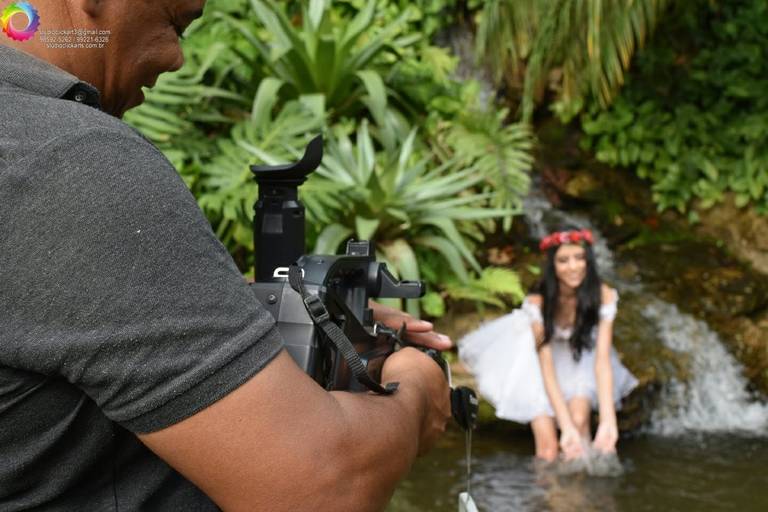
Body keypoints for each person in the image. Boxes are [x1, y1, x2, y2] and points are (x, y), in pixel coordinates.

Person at [0, 1, 451, 510]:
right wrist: (416, 393)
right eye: (176, 25)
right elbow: (322, 489)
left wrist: (234, 315)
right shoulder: (72, 161)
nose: (177, 60)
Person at [459, 227, 637, 462]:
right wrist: (565, 426)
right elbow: (546, 367)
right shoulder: (539, 301)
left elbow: (602, 361)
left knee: (580, 424)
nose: (573, 267)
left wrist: (608, 420)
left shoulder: (602, 295)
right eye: (563, 260)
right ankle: (546, 482)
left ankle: (580, 482)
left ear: (589, 260)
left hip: (577, 357)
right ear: (552, 265)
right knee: (548, 447)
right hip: (535, 363)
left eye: (579, 258)